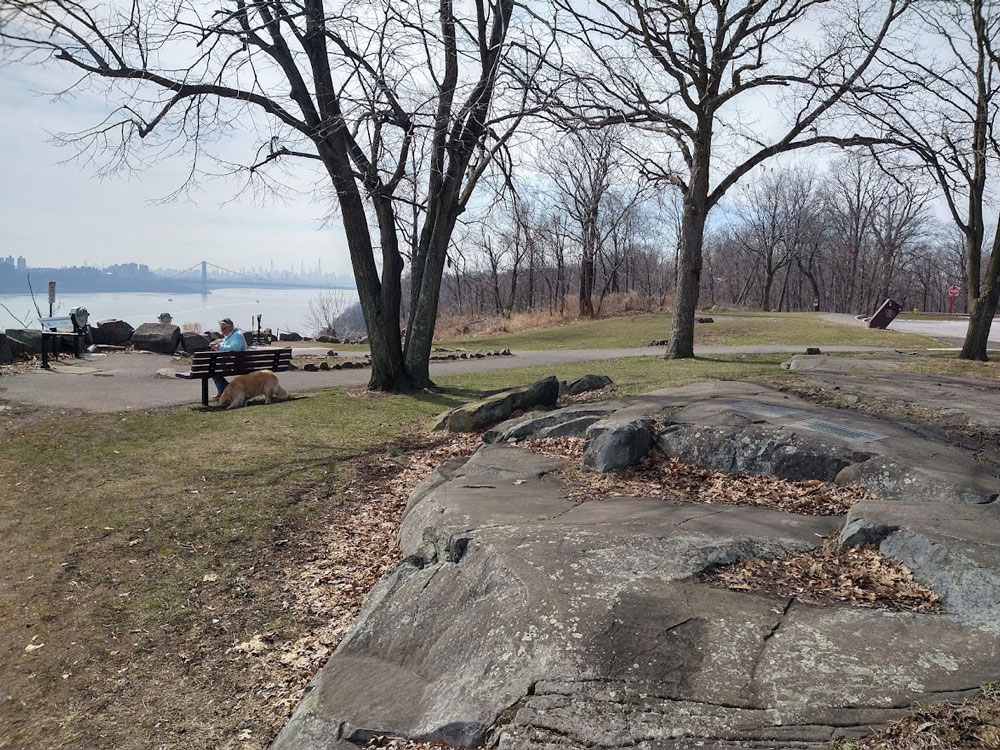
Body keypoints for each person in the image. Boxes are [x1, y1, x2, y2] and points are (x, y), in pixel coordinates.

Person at [208, 317, 247, 398]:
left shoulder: (238, 335)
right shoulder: (231, 335)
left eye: (224, 329)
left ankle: (226, 389)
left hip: (237, 364)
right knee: (212, 368)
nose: (222, 331)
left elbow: (235, 348)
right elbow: (225, 344)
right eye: (221, 330)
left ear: (231, 327)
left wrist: (219, 347)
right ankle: (223, 391)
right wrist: (217, 346)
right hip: (232, 363)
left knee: (212, 369)